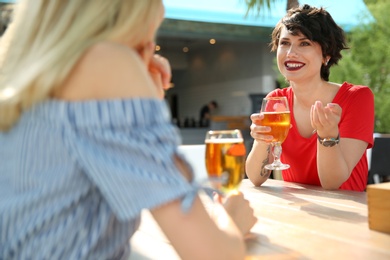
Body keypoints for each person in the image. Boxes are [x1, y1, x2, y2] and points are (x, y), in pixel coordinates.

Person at [0, 0, 257, 259]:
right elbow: (215, 254)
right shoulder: (105, 61)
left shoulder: (14, 74)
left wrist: (144, 102)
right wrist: (230, 218)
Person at [245, 4, 374, 192]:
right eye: (285, 43)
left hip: (348, 214)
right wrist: (263, 139)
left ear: (326, 55)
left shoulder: (357, 98)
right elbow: (256, 178)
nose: (291, 53)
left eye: (304, 43)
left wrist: (328, 135)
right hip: (297, 213)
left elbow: (332, 183)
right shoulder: (276, 101)